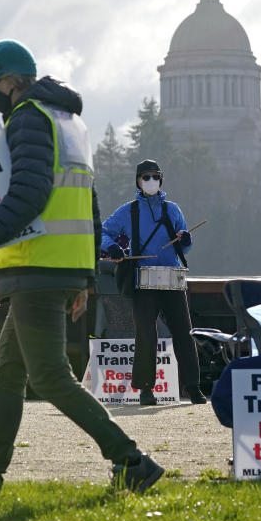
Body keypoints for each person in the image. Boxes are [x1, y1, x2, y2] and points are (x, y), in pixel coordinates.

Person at [0, 39, 163, 493]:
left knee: (50, 376)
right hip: (58, 267)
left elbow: (28, 192)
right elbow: (88, 205)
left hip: (37, 265)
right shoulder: (69, 122)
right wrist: (85, 277)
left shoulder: (28, 117)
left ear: (9, 81)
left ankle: (132, 460)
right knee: (7, 374)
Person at [100, 159, 206, 406]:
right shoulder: (128, 211)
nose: (150, 181)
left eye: (154, 176)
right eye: (145, 177)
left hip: (173, 277)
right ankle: (146, 390)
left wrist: (185, 239)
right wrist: (113, 247)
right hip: (143, 279)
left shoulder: (173, 210)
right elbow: (103, 232)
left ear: (161, 180)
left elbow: (184, 245)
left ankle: (193, 387)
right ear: (138, 181)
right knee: (146, 335)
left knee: (184, 333)